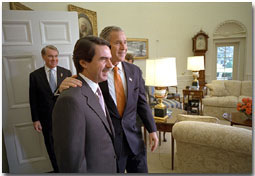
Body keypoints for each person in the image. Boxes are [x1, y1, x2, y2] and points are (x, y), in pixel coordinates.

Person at [59, 26, 159, 173]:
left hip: (134, 140)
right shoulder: (95, 72)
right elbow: (78, 99)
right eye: (118, 43)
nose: (124, 47)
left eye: (125, 42)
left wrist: (152, 129)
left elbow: (142, 103)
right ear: (106, 45)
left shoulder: (134, 71)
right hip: (109, 144)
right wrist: (62, 89)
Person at [52, 36, 116, 173]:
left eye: (110, 59)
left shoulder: (97, 88)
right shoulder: (70, 100)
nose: (111, 65)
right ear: (83, 63)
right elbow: (71, 163)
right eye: (104, 59)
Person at [29, 45, 72, 173]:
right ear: (43, 57)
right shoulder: (35, 76)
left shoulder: (66, 73)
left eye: (56, 56)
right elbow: (33, 99)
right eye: (50, 56)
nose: (54, 59)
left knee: (68, 146)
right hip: (46, 119)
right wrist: (35, 119)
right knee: (52, 148)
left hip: (66, 118)